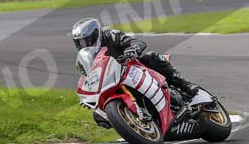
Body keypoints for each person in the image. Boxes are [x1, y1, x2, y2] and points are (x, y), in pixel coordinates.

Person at [70, 17, 200, 98]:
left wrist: (133, 48)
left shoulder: (112, 35)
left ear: (96, 34)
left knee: (151, 57)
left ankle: (185, 85)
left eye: (87, 40)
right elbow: (87, 75)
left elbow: (136, 42)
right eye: (80, 43)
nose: (85, 45)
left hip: (131, 68)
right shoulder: (87, 57)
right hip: (111, 80)